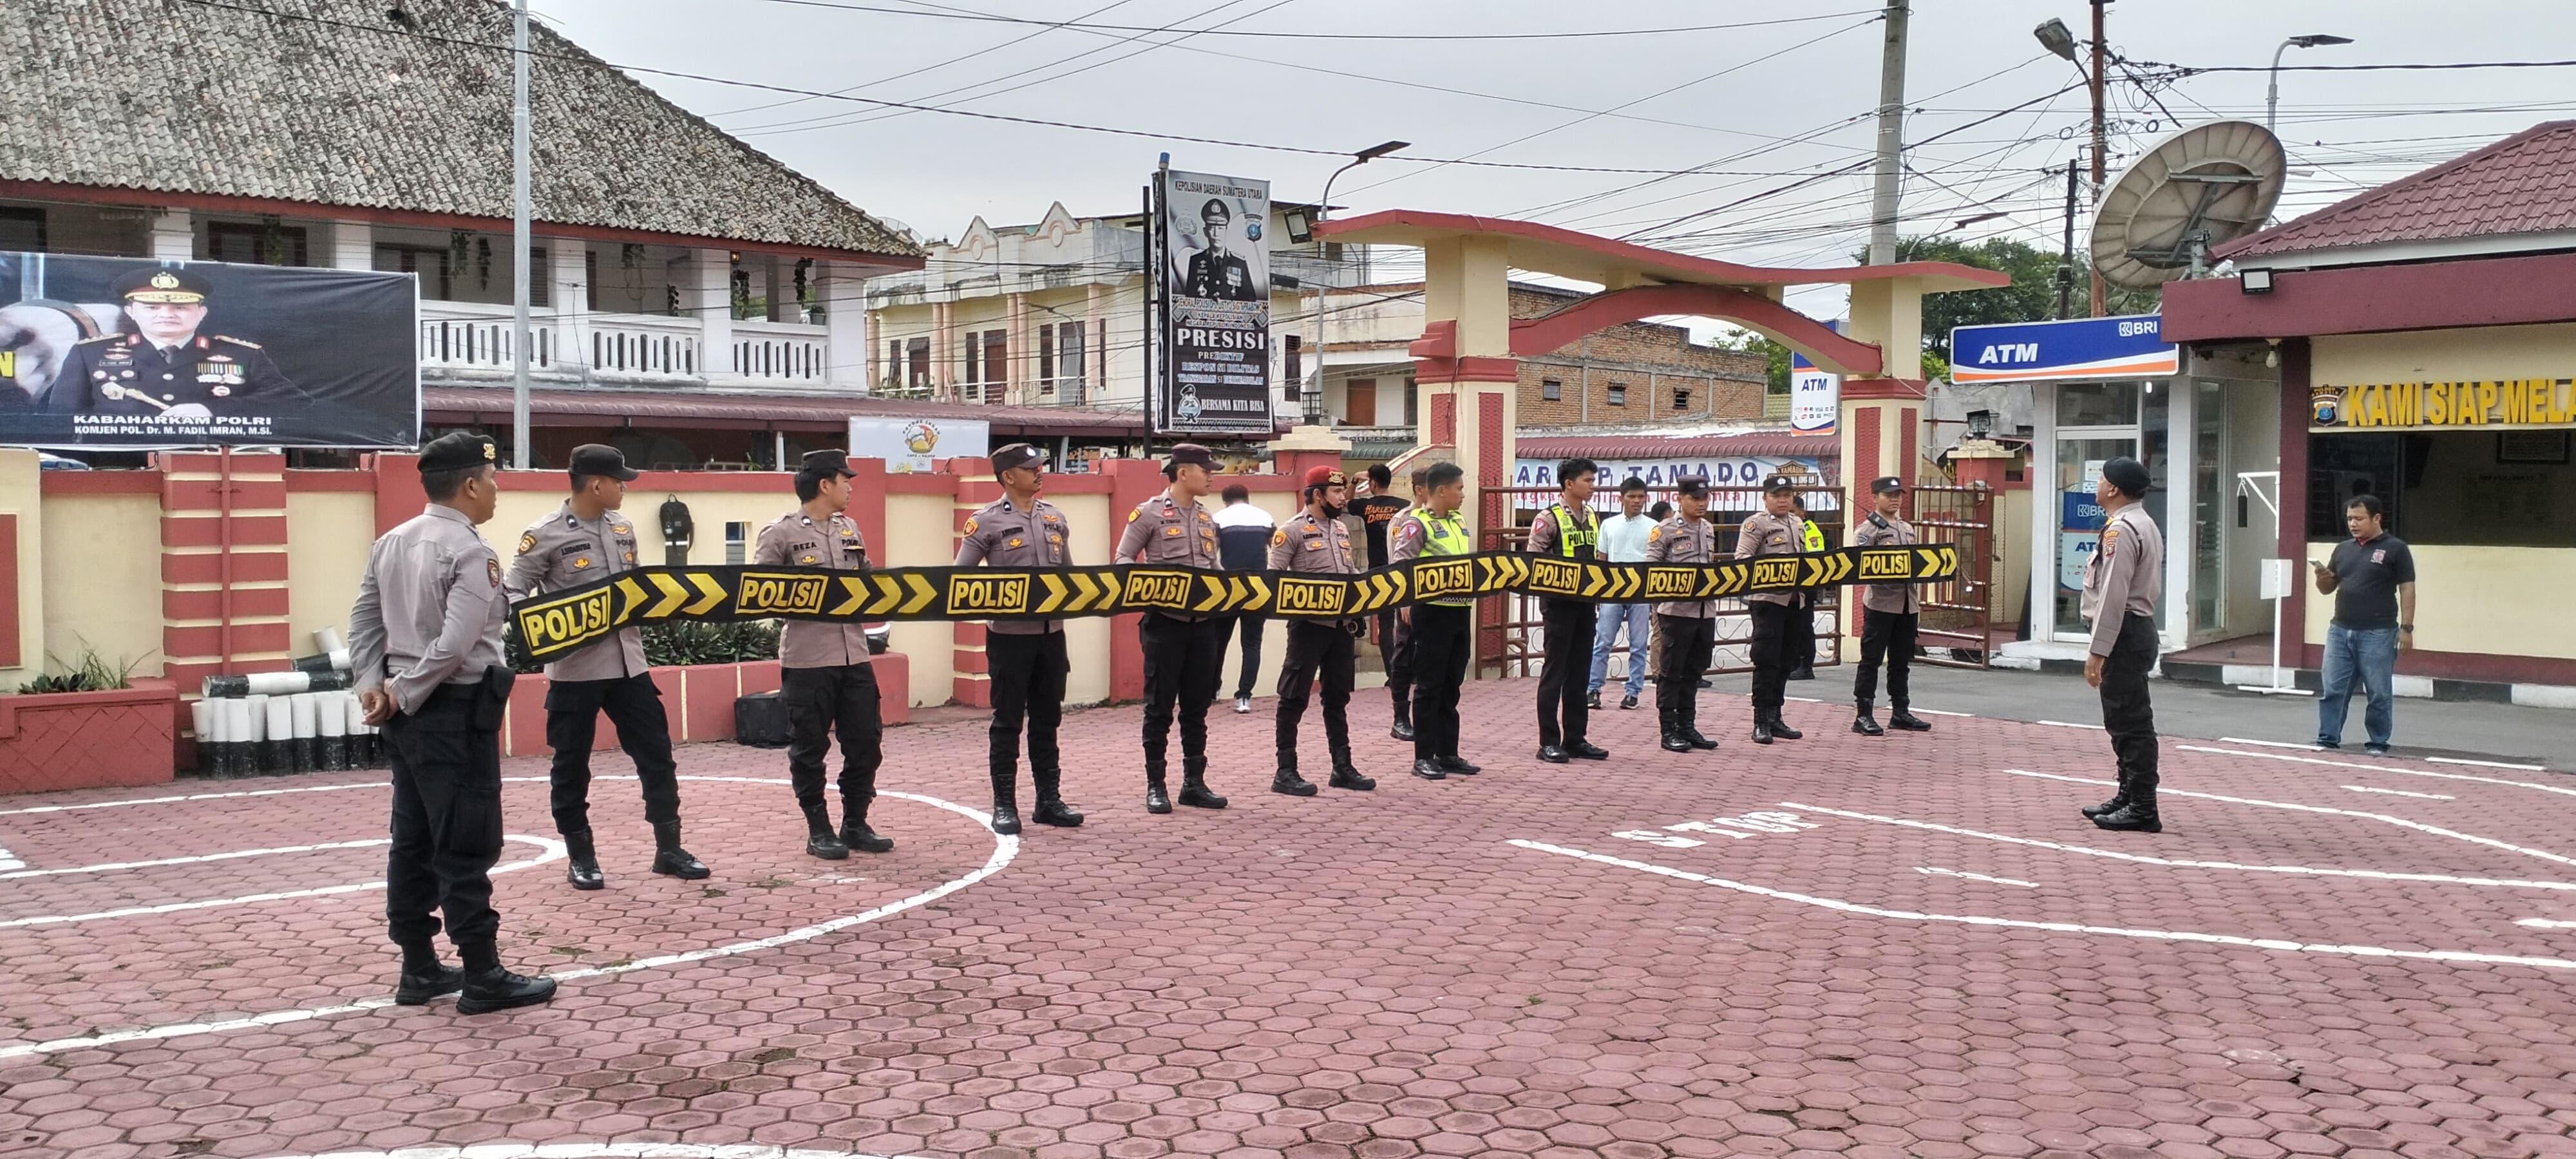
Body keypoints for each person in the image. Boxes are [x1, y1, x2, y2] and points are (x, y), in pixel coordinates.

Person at [349, 431, 555, 1015]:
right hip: (452, 710)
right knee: (466, 842)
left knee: (412, 839)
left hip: (405, 714)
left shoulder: (391, 541)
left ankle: (418, 967)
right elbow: (457, 644)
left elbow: (364, 620)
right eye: (492, 480)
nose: (496, 491)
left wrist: (375, 688)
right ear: (470, 483)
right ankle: (482, 974)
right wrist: (404, 692)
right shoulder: (471, 551)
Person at [502, 444, 705, 890]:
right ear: (597, 484)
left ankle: (669, 849)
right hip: (575, 673)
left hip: (629, 666)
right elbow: (512, 592)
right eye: (619, 481)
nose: (625, 489)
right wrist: (544, 630)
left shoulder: (622, 527)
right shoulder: (545, 534)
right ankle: (582, 857)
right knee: (571, 766)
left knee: (657, 757)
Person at [754, 451, 895, 857]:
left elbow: (866, 578)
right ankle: (819, 828)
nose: (851, 487)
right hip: (808, 659)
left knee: (866, 741)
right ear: (824, 484)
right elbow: (762, 594)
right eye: (844, 480)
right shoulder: (779, 534)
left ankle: (855, 823)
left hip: (854, 654)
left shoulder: (849, 528)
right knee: (810, 747)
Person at [955, 443, 1086, 835]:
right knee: (1008, 721)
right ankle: (1005, 805)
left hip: (1051, 636)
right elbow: (961, 578)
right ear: (1008, 477)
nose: (1040, 473)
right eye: (1031, 469)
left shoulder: (1054, 518)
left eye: (1040, 467)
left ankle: (1049, 800)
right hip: (1009, 638)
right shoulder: (986, 522)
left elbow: (1069, 575)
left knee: (1048, 720)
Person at [1114, 443, 1228, 813]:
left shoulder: (1208, 518)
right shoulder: (1148, 514)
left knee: (1197, 707)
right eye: (1205, 469)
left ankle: (1194, 783)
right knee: (1160, 707)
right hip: (1165, 625)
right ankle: (1156, 785)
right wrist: (1154, 584)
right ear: (1183, 473)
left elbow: (1215, 569)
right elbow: (1123, 560)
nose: (1212, 475)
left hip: (1203, 627)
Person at [46, 266, 303, 417]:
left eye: (180, 307)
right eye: (152, 307)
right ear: (130, 312)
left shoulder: (243, 356)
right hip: (119, 465)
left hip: (212, 462)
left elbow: (294, 403)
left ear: (201, 313)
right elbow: (63, 418)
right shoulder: (89, 354)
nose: (166, 314)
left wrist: (211, 410)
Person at [1269, 466, 1375, 796]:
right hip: (1308, 627)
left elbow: (1351, 572)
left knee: (1337, 698)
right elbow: (1273, 579)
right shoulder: (1291, 531)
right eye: (1337, 492)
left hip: (1341, 628)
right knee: (1294, 697)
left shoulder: (1341, 528)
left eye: (1344, 491)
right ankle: (1285, 771)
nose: (1344, 497)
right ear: (1318, 495)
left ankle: (1342, 767)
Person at [2079, 457, 2164, 833]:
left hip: (2125, 634)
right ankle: (2128, 795)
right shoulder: (2138, 522)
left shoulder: (2123, 529)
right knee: (2123, 720)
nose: (2097, 484)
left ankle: (2143, 806)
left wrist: (2098, 651)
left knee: (2130, 723)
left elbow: (2114, 593)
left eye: (2101, 479)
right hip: (2133, 631)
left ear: (2113, 488)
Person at [1389, 462, 1476, 780]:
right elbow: (1402, 566)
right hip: (1432, 611)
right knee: (1429, 686)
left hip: (1459, 610)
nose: (1462, 494)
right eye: (1459, 488)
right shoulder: (1416, 524)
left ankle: (1448, 752)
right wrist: (1406, 603)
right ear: (1442, 490)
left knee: (1452, 684)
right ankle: (1424, 756)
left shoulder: (1457, 520)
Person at [2312, 494, 2415, 755]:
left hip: (2378, 632)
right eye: (2349, 519)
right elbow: (2327, 588)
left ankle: (2378, 742)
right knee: (2333, 688)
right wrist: (2321, 577)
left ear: (2377, 518)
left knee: (2378, 691)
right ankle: (2327, 739)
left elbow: (2407, 589)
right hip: (2339, 630)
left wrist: (2407, 628)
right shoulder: (2343, 549)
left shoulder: (2396, 549)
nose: (2353, 524)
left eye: (2359, 518)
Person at [1526, 457, 1607, 764]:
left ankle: (1576, 738)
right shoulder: (1548, 518)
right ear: (1569, 484)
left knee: (1579, 673)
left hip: (1585, 605)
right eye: (1587, 480)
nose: (1592, 486)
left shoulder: (1592, 515)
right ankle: (1548, 741)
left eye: (1593, 480)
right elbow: (1533, 562)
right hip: (1558, 606)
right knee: (1554, 673)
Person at [1849, 476, 1932, 736]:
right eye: (1888, 495)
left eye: (1898, 495)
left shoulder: (1907, 528)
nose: (1895, 499)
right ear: (1875, 498)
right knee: (1871, 661)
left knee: (1900, 661)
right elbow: (1861, 565)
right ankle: (1863, 714)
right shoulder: (1867, 531)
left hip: (1908, 604)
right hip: (1882, 604)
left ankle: (1900, 712)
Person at [1646, 476, 1721, 754]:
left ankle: (1687, 726)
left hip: (1705, 611)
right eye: (1695, 499)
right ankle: (1669, 729)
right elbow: (1651, 570)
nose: (1701, 504)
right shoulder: (1665, 530)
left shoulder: (1709, 528)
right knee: (1671, 672)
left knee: (1694, 670)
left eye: (1705, 498)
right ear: (1680, 498)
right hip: (1675, 611)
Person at [1737, 475, 1808, 744]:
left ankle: (1776, 716)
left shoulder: (1797, 523)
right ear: (1765, 498)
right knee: (1766, 660)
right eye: (1777, 495)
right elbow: (1742, 559)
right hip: (1767, 601)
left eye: (1787, 495)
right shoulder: (1756, 524)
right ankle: (1761, 719)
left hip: (1794, 600)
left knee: (1786, 660)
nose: (1783, 500)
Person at [1589, 476, 1654, 712]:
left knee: (1638, 644)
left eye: (1641, 497)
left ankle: (1633, 692)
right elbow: (1602, 558)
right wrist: (1600, 591)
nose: (1637, 501)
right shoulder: (1608, 524)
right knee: (1603, 641)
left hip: (1640, 591)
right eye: (1632, 497)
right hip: (1613, 589)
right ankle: (1594, 688)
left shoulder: (1653, 526)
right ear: (1621, 498)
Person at [1352, 464, 1412, 718]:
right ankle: (1409, 672)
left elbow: (1344, 502)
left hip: (1379, 571)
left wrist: (1355, 481)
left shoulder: (1365, 506)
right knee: (1407, 622)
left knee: (1386, 624)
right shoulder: (1404, 505)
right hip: (1403, 569)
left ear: (1372, 484)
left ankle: (1392, 674)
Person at [1379, 467, 1432, 741]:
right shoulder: (1404, 519)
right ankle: (1400, 717)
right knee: (1404, 657)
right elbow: (1397, 565)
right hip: (1411, 600)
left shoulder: (1446, 518)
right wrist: (1404, 601)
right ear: (1420, 490)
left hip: (1439, 602)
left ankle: (1429, 717)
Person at [1213, 483, 1275, 715]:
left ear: (1225, 500)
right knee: (1251, 643)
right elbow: (1276, 550)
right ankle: (1244, 696)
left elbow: (1212, 552)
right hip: (1257, 588)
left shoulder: (1219, 518)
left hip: (1227, 587)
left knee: (1218, 641)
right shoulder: (1265, 517)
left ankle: (1213, 688)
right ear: (1247, 498)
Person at [1183, 199, 1259, 301]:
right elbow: (1190, 296)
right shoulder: (1196, 261)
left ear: (1226, 230)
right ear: (1205, 232)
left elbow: (1250, 299)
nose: (1216, 234)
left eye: (1220, 229)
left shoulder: (1239, 263)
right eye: (1212, 228)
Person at [1786, 493, 1826, 681]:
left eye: (1793, 511)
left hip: (1806, 586)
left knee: (1804, 627)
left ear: (1803, 512)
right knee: (1792, 627)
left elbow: (1815, 558)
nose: (1791, 515)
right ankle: (1793, 664)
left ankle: (1806, 666)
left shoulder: (1810, 530)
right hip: (1790, 587)